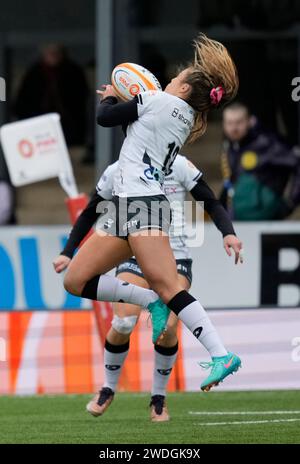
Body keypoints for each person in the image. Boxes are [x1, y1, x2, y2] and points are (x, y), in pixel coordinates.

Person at [62, 35, 243, 413]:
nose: (169, 81)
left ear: (184, 88)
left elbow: (105, 118)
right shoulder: (183, 115)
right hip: (131, 205)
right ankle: (148, 301)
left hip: (142, 204)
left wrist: (112, 93)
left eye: (177, 79)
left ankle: (221, 354)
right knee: (76, 280)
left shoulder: (160, 102)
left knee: (167, 286)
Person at [53, 154, 237, 421]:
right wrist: (68, 251)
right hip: (134, 253)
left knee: (169, 327)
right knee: (124, 322)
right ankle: (108, 387)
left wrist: (228, 231)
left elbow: (209, 200)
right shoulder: (118, 169)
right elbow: (93, 209)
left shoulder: (180, 165)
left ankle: (158, 398)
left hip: (175, 257)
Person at [221, 102, 300, 220]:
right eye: (229, 123)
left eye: (239, 122)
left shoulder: (267, 143)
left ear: (250, 121)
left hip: (264, 216)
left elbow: (297, 163)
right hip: (238, 215)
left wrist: (291, 202)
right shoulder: (231, 147)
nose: (234, 128)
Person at [14, 44, 89, 146]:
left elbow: (80, 100)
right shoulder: (34, 73)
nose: (53, 55)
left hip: (68, 128)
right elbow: (23, 103)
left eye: (56, 52)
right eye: (49, 52)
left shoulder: (73, 72)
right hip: (38, 128)